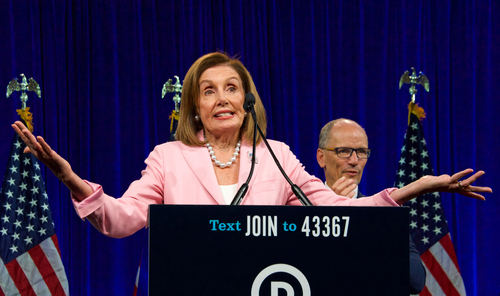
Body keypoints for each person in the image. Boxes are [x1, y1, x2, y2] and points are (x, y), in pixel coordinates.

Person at [12, 52, 491, 240]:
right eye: (209, 90)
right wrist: (71, 180)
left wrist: (413, 189)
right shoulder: (169, 158)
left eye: (232, 87)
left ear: (247, 99)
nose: (222, 98)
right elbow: (118, 222)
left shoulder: (278, 157)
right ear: (196, 109)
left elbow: (338, 213)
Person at [317, 119, 426, 294]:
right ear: (321, 157)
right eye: (343, 151)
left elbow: (416, 281)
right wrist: (330, 211)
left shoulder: (384, 215)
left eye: (361, 152)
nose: (354, 161)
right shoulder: (300, 210)